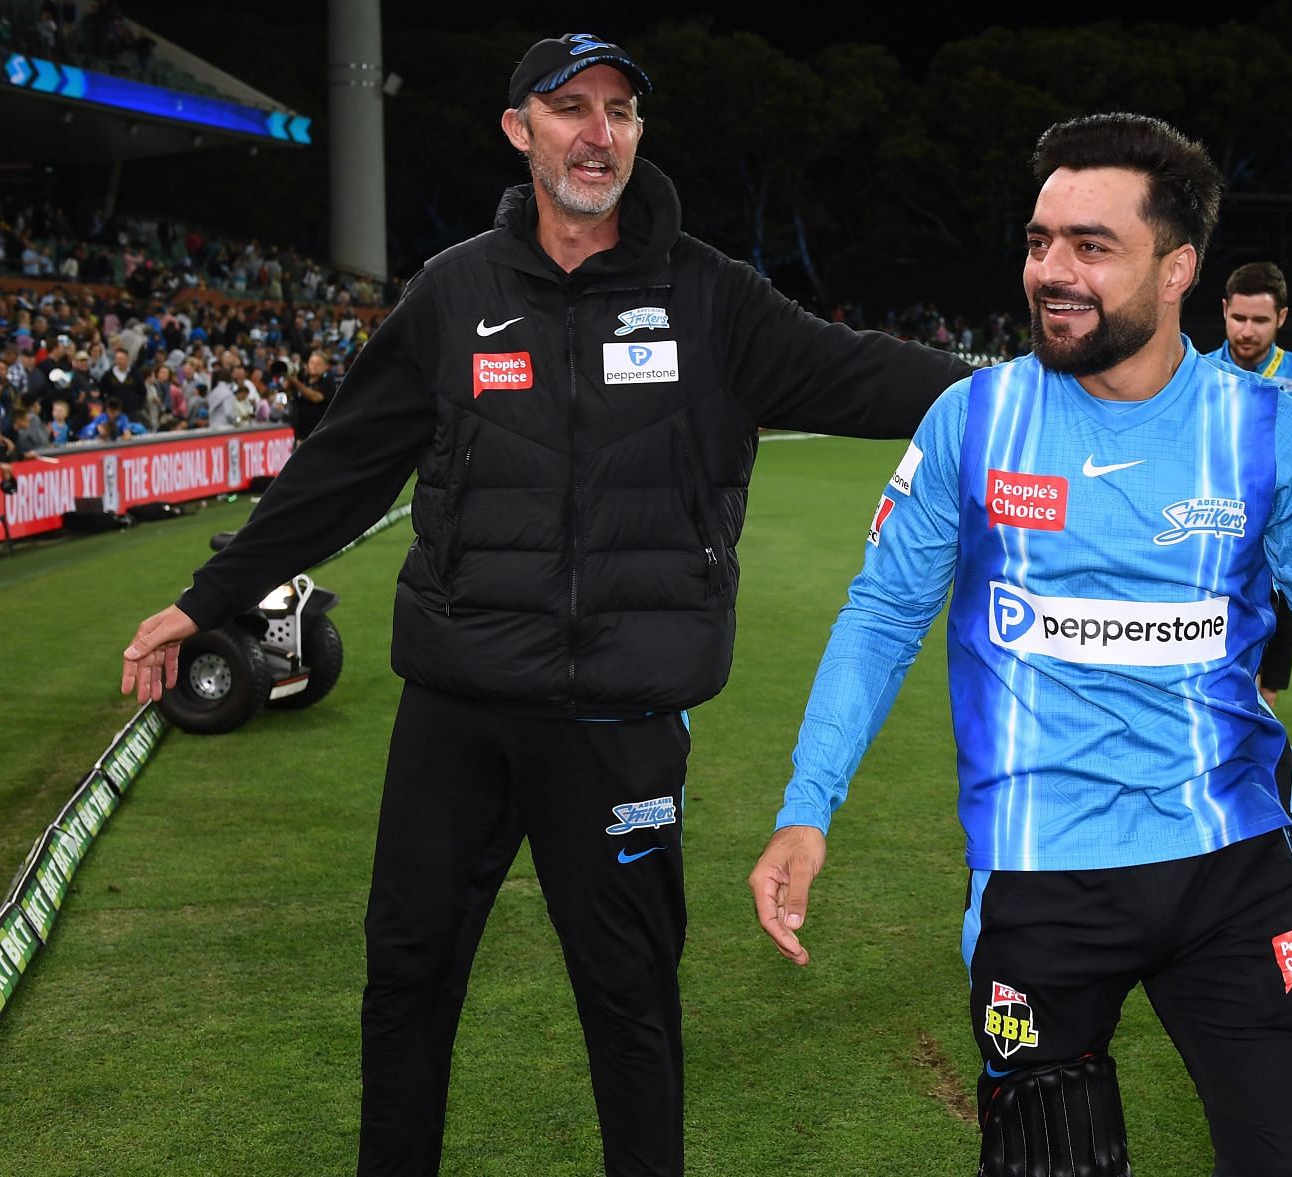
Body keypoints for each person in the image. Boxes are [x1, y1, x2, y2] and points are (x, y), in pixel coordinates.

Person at [118, 32, 970, 1177]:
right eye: (571, 108)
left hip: (619, 724)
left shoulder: (711, 297)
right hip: (456, 711)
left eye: (620, 111)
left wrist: (1043, 386)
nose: (599, 133)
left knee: (630, 1005)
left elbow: (875, 374)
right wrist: (205, 599)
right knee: (407, 978)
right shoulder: (456, 291)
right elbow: (342, 467)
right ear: (520, 130)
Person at [750, 114, 1292, 1177]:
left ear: (1177, 269)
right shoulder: (974, 421)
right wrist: (806, 805)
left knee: (1289, 1156)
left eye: (1090, 246)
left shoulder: (1264, 430)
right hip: (1040, 875)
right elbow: (881, 616)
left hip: (1232, 866)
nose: (1052, 272)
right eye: (1039, 241)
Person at [1207, 261, 1292, 707]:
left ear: (1281, 319)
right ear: (1224, 311)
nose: (1247, 331)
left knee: (1264, 688)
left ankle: (1256, 747)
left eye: (1260, 320)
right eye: (1239, 318)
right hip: (1213, 547)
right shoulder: (1197, 374)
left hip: (1280, 549)